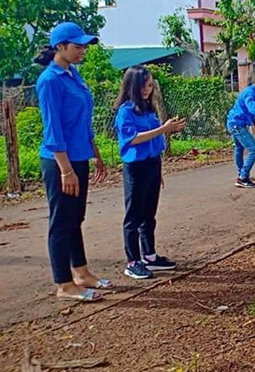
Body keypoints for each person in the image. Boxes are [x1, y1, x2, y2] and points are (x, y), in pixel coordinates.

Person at [34, 22, 111, 302]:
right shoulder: (50, 80)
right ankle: (64, 284)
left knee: (75, 219)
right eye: (77, 46)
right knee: (61, 222)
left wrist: (97, 156)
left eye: (84, 46)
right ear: (60, 47)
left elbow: (84, 122)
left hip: (78, 157)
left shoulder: (73, 75)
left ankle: (81, 273)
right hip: (59, 163)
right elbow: (53, 130)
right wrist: (66, 170)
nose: (82, 51)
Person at [114, 66, 187, 279]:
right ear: (133, 86)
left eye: (150, 85)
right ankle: (133, 261)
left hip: (152, 164)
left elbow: (153, 140)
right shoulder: (125, 111)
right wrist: (164, 129)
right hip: (136, 168)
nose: (148, 89)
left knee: (149, 215)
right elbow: (133, 139)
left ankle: (150, 256)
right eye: (145, 85)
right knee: (134, 216)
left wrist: (159, 171)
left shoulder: (148, 109)